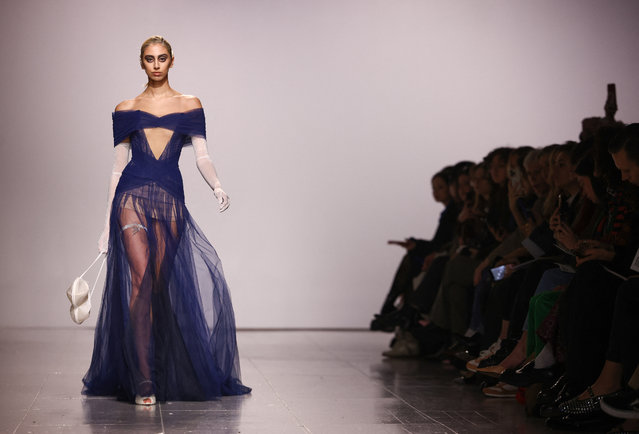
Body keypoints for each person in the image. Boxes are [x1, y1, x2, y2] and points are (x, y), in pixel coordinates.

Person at [82, 36, 251, 405]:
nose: (155, 64)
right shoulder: (126, 107)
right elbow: (117, 168)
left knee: (158, 285)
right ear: (141, 63)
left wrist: (217, 185)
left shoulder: (190, 104)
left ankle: (159, 367)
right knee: (141, 279)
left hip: (171, 198)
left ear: (172, 61)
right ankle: (143, 381)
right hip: (131, 196)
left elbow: (202, 156)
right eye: (148, 59)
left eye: (161, 58)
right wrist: (103, 225)